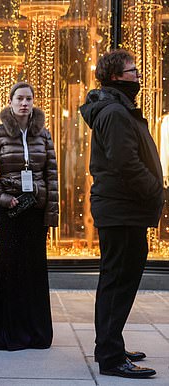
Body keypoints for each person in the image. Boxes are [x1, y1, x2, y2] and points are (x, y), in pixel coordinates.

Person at [80, 49, 163, 379]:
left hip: (123, 210)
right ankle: (111, 358)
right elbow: (125, 163)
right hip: (121, 210)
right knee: (117, 282)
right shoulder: (114, 111)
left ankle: (110, 345)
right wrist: (156, 190)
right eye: (133, 70)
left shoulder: (117, 108)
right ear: (116, 76)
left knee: (117, 282)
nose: (139, 75)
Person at [0, 81, 58, 351]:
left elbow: (52, 176)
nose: (24, 103)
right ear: (10, 102)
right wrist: (2, 197)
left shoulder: (43, 135)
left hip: (34, 209)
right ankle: (6, 330)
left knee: (34, 268)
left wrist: (49, 210)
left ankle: (34, 332)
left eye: (29, 99)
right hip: (9, 209)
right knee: (9, 267)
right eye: (20, 98)